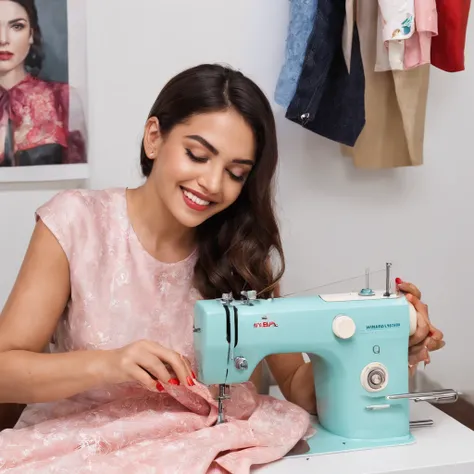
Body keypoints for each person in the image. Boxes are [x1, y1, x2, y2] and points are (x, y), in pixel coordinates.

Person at [0, 63, 444, 472]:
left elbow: (298, 386)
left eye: (235, 172)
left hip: (211, 443)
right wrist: (109, 365)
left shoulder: (240, 250)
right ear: (154, 137)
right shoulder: (76, 222)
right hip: (85, 446)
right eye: (197, 155)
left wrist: (384, 345)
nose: (212, 184)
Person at [0, 0, 86, 167]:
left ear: (31, 34)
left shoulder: (63, 99)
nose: (3, 39)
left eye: (17, 26)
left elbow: (80, 177)